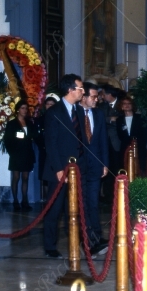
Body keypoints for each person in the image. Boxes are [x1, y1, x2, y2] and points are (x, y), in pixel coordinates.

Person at [42, 74, 87, 259]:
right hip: (58, 171)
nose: (82, 92)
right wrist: (59, 169)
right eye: (80, 88)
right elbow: (50, 144)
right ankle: (50, 246)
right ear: (70, 90)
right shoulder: (54, 112)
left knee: (74, 209)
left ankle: (75, 242)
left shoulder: (78, 111)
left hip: (77, 170)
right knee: (55, 209)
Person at [79, 82, 109, 255]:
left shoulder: (98, 114)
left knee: (93, 202)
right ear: (83, 97)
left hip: (96, 165)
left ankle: (96, 236)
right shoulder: (74, 114)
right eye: (93, 97)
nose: (96, 100)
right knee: (82, 204)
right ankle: (87, 240)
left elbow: (103, 140)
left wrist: (105, 163)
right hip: (80, 166)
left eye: (97, 96)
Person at [3, 99, 37, 211]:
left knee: (25, 178)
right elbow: (7, 140)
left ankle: (25, 200)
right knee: (16, 178)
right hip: (16, 154)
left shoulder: (30, 123)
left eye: (26, 108)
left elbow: (33, 136)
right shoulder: (12, 124)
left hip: (27, 154)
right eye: (22, 108)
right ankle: (15, 200)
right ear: (18, 110)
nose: (25, 110)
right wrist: (12, 152)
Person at [35, 93, 60, 202]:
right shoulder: (40, 119)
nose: (49, 106)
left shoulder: (59, 118)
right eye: (47, 104)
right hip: (44, 151)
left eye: (52, 104)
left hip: (56, 151)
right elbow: (37, 135)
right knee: (45, 176)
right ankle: (46, 197)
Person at [99, 85, 121, 202]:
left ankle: (117, 194)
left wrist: (114, 120)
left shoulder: (121, 105)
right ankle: (106, 195)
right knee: (105, 166)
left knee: (116, 167)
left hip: (116, 141)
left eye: (104, 94)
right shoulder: (101, 106)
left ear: (110, 94)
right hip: (104, 141)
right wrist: (110, 120)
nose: (102, 96)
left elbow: (120, 120)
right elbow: (101, 120)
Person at [116, 96, 147, 176]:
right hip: (125, 148)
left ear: (132, 105)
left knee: (140, 170)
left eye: (129, 103)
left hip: (139, 148)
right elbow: (120, 135)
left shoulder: (140, 118)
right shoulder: (119, 120)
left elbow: (145, 134)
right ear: (121, 106)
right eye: (124, 104)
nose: (127, 105)